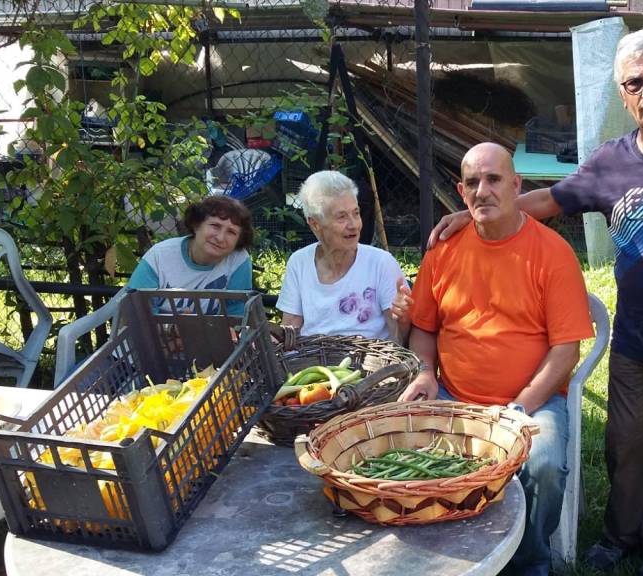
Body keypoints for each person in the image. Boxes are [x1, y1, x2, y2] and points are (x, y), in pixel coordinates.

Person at [428, 24, 643, 576]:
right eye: (635, 83)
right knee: (623, 442)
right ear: (623, 95)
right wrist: (479, 210)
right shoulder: (610, 161)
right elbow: (550, 199)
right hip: (637, 337)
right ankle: (620, 534)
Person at [394, 142, 594, 576]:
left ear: (516, 185)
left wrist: (519, 408)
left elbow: (566, 350)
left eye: (493, 179)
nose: (482, 191)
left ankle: (527, 562)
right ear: (461, 192)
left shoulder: (552, 252)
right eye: (472, 183)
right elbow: (424, 327)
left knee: (543, 466)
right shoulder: (443, 250)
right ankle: (448, 559)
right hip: (453, 395)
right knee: (402, 452)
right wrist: (426, 373)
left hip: (533, 402)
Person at [277, 170, 410, 343]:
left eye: (356, 213)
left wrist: (403, 319)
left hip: (371, 357)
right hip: (313, 357)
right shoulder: (299, 263)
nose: (354, 225)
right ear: (315, 224)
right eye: (342, 217)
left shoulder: (381, 263)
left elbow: (398, 341)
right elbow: (290, 331)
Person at [127, 195, 254, 316]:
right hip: (152, 330)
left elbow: (237, 314)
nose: (220, 238)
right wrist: (175, 326)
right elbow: (136, 313)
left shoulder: (238, 260)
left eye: (231, 232)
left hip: (208, 331)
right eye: (215, 226)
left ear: (239, 240)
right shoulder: (159, 256)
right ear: (196, 225)